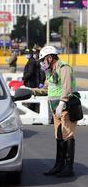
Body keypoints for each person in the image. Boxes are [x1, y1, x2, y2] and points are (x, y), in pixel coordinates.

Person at [32, 46, 78, 177]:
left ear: (50, 58)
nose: (42, 63)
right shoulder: (49, 71)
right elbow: (46, 89)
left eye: (43, 60)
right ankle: (59, 165)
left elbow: (67, 88)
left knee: (67, 135)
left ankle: (69, 167)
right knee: (59, 136)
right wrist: (31, 90)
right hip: (56, 109)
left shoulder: (64, 68)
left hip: (66, 107)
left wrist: (62, 102)